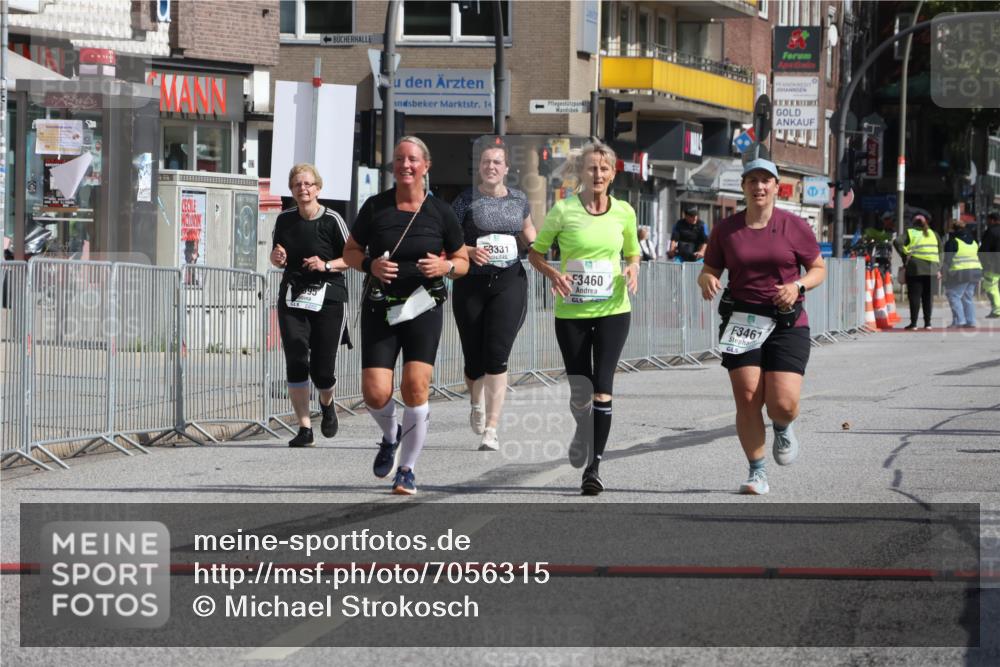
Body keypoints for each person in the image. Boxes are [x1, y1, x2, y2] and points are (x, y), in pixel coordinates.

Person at [343, 136, 470, 496]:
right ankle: (391, 434)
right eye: (399, 159)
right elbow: (350, 252)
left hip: (422, 307)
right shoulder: (375, 207)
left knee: (415, 386)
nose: (405, 165)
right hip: (381, 307)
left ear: (426, 166)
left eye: (413, 159)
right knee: (374, 392)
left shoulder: (441, 212)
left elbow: (461, 263)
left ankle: (407, 469)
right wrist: (370, 263)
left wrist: (445, 265)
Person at [697, 154, 826, 495]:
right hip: (742, 321)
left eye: (765, 180)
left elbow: (818, 269)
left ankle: (783, 426)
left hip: (787, 321)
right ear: (744, 187)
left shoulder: (793, 226)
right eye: (752, 180)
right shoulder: (727, 229)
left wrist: (797, 286)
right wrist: (706, 280)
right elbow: (710, 269)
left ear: (775, 187)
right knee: (748, 397)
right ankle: (757, 472)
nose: (759, 186)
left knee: (782, 403)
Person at [528, 141, 640, 496]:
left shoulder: (624, 211)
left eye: (604, 169)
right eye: (591, 168)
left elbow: (633, 252)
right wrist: (552, 274)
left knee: (603, 387)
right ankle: (581, 426)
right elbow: (535, 253)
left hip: (613, 309)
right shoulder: (563, 210)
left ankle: (594, 467)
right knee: (581, 391)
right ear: (580, 173)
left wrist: (634, 269)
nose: (598, 174)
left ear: (612, 173)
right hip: (572, 311)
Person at [451, 141, 536, 451]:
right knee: (474, 360)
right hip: (471, 284)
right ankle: (476, 401)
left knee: (497, 355)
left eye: (497, 162)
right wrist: (469, 251)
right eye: (486, 161)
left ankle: (492, 428)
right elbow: (450, 242)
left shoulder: (519, 200)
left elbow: (531, 237)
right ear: (480, 167)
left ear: (506, 169)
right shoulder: (464, 201)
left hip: (509, 281)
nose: (491, 167)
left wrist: (553, 260)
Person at [270, 163, 350, 447]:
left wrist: (325, 264)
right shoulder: (285, 220)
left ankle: (327, 403)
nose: (302, 189)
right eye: (297, 185)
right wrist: (277, 258)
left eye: (308, 184)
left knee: (322, 369)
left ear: (318, 188)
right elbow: (276, 255)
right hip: (293, 294)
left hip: (328, 297)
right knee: (295, 355)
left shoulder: (332, 220)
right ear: (291, 190)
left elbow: (353, 257)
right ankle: (304, 428)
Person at [894, 214, 941, 330]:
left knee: (914, 296)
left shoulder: (910, 232)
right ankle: (928, 323)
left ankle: (914, 324)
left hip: (915, 269)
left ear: (913, 223)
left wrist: (904, 254)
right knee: (928, 297)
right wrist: (939, 267)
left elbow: (897, 242)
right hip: (932, 269)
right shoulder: (934, 234)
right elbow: (941, 251)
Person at [942, 219, 983, 329]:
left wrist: (944, 272)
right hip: (976, 271)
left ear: (953, 229)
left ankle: (959, 321)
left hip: (961, 272)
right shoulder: (973, 240)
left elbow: (948, 259)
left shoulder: (953, 241)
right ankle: (971, 321)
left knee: (953, 295)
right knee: (967, 296)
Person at [980, 211, 1000, 319]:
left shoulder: (991, 232)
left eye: (988, 220)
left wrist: (983, 262)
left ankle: (997, 310)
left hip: (993, 265)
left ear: (992, 220)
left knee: (990, 286)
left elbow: (984, 250)